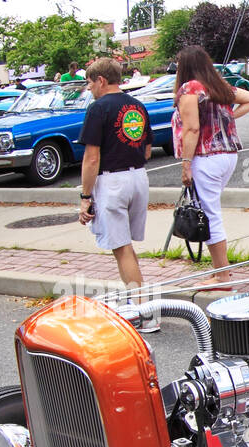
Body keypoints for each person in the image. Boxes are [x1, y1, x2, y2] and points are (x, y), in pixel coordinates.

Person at [173, 45, 249, 289]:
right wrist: (227, 119)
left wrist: (186, 164)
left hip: (205, 157)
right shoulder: (218, 87)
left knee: (210, 215)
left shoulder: (190, 89)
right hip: (227, 155)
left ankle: (222, 276)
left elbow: (192, 129)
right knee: (210, 211)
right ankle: (220, 273)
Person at [76, 57, 152, 317]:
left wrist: (85, 196)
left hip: (112, 181)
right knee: (126, 247)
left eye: (89, 83)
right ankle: (139, 299)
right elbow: (148, 148)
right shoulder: (138, 106)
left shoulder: (98, 109)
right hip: (139, 177)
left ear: (101, 80)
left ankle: (143, 310)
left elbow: (91, 158)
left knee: (121, 248)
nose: (89, 89)